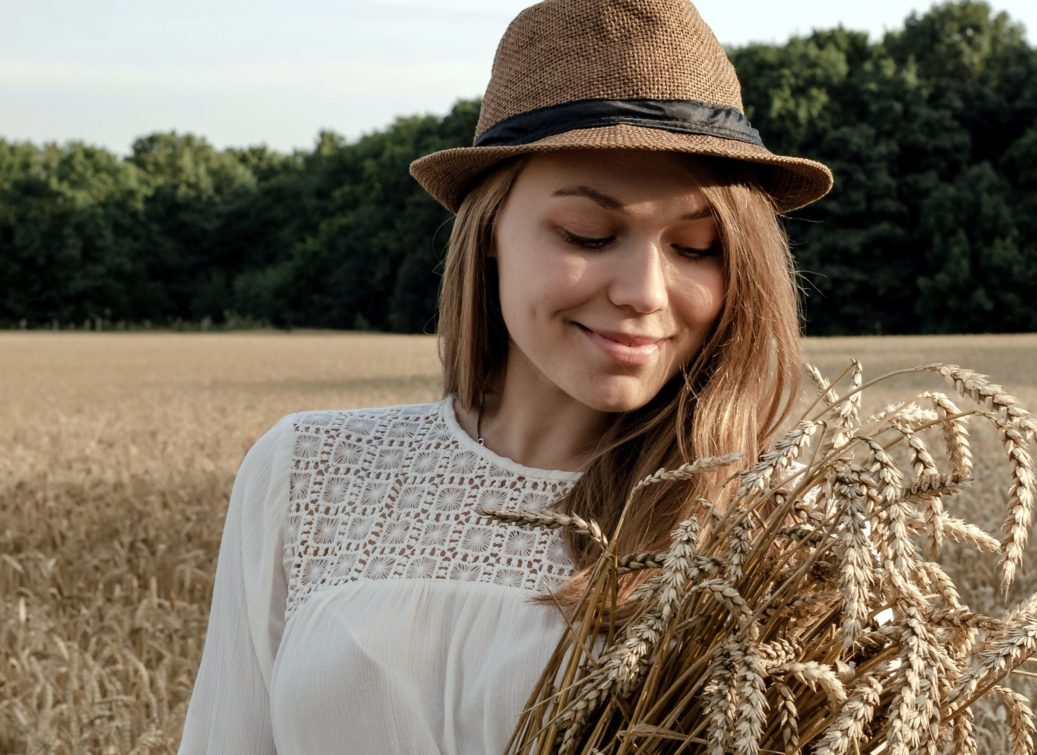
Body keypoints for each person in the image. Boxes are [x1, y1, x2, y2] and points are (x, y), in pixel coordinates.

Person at [177, 0, 832, 752]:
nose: (645, 292)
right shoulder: (306, 473)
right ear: (489, 229)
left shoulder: (782, 533)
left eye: (695, 248)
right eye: (589, 234)